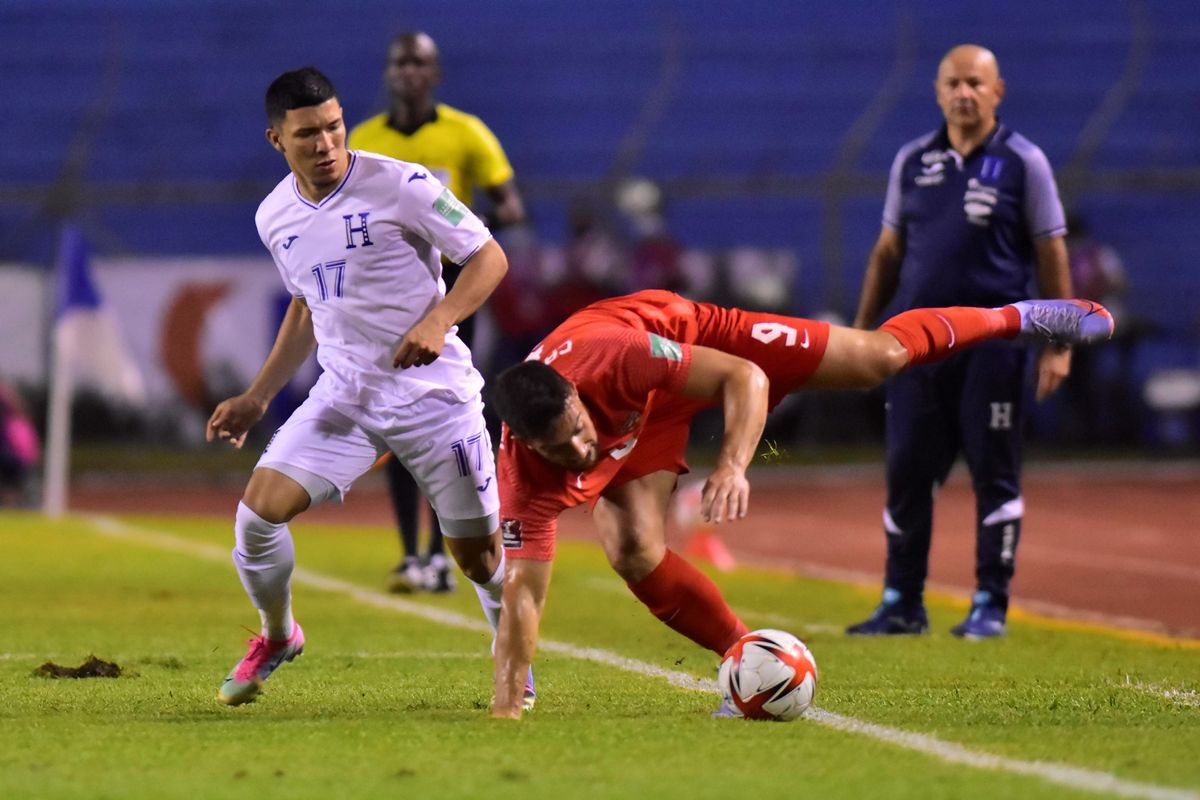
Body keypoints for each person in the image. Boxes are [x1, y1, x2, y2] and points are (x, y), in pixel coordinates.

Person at [487, 288, 1112, 717]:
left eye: (576, 425)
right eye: (560, 446)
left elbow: (743, 377)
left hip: (693, 342)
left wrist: (731, 466)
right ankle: (746, 658)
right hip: (640, 413)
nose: (579, 446)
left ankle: (1022, 316)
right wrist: (507, 706)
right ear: (527, 443)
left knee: (877, 358)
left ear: (572, 393)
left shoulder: (616, 358)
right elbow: (522, 592)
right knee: (632, 551)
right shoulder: (523, 479)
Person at [206, 67, 535, 710]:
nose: (326, 143)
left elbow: (488, 256)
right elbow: (306, 306)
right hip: (346, 396)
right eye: (308, 134)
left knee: (477, 558)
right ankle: (279, 636)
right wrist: (258, 395)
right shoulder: (273, 216)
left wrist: (440, 320)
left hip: (434, 398)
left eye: (334, 127)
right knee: (257, 517)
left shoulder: (402, 184)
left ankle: (514, 663)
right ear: (277, 140)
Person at [845, 44, 1076, 639]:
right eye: (954, 82)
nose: (964, 92)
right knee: (906, 474)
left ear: (998, 91)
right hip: (915, 351)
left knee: (994, 474)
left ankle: (989, 605)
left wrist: (1059, 343)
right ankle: (901, 602)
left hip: (993, 354)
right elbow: (888, 253)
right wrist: (859, 336)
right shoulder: (911, 161)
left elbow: (1051, 252)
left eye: (976, 82)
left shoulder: (1025, 163)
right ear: (938, 89)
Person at [348, 31, 527, 595]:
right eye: (399, 61)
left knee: (451, 412)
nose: (408, 71)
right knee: (399, 416)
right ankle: (412, 555)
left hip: (452, 293)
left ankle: (443, 552)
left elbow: (511, 205)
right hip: (389, 297)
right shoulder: (364, 138)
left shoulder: (465, 133)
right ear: (388, 72)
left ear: (435, 73)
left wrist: (457, 230)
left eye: (419, 62)